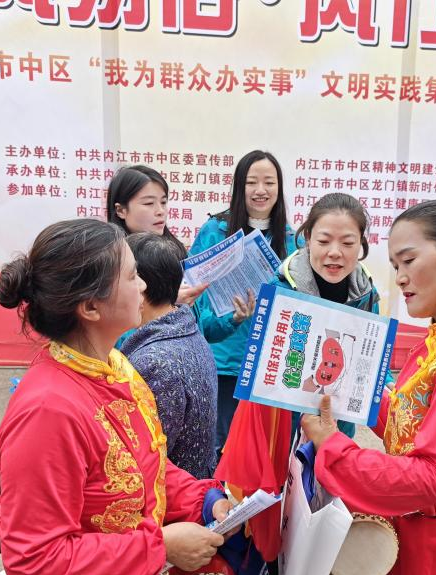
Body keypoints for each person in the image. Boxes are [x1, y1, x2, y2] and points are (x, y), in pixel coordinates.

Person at [0, 218, 236, 574]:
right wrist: (160, 547)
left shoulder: (116, 366)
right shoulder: (48, 412)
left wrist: (202, 499)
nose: (144, 286)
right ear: (91, 307)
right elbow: (36, 559)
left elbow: (136, 469)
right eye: (133, 276)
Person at [301, 199, 436, 574]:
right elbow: (414, 423)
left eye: (409, 260)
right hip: (429, 529)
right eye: (395, 266)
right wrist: (351, 389)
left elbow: (433, 477)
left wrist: (333, 446)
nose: (400, 277)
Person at [214, 192, 385, 562]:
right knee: (278, 521)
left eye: (347, 243)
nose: (334, 253)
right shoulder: (280, 286)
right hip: (281, 426)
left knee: (322, 516)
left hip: (335, 425)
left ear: (362, 245)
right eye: (324, 241)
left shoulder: (368, 294)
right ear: (307, 238)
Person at [190, 150, 299, 456]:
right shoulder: (215, 231)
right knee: (221, 450)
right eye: (252, 182)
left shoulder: (293, 239)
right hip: (225, 363)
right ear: (239, 187)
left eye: (269, 182)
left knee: (264, 454)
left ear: (279, 188)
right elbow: (194, 294)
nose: (260, 190)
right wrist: (228, 319)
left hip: (270, 367)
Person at [120, 233, 218, 479]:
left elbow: (143, 462)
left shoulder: (154, 363)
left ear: (141, 286)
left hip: (171, 497)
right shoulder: (184, 330)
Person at [107, 165, 206, 306]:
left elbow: (201, 313)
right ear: (121, 210)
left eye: (163, 202)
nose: (160, 211)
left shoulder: (177, 251)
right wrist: (167, 304)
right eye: (149, 203)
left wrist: (233, 317)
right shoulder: (113, 260)